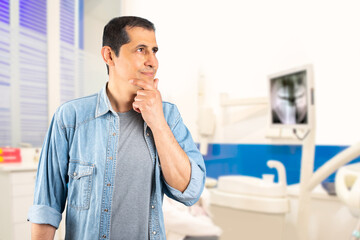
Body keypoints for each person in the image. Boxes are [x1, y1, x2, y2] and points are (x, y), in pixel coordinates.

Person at [27, 16, 206, 240]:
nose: (153, 61)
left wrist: (158, 122)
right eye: (141, 49)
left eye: (154, 50)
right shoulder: (71, 118)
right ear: (109, 55)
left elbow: (190, 191)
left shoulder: (168, 116)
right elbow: (45, 208)